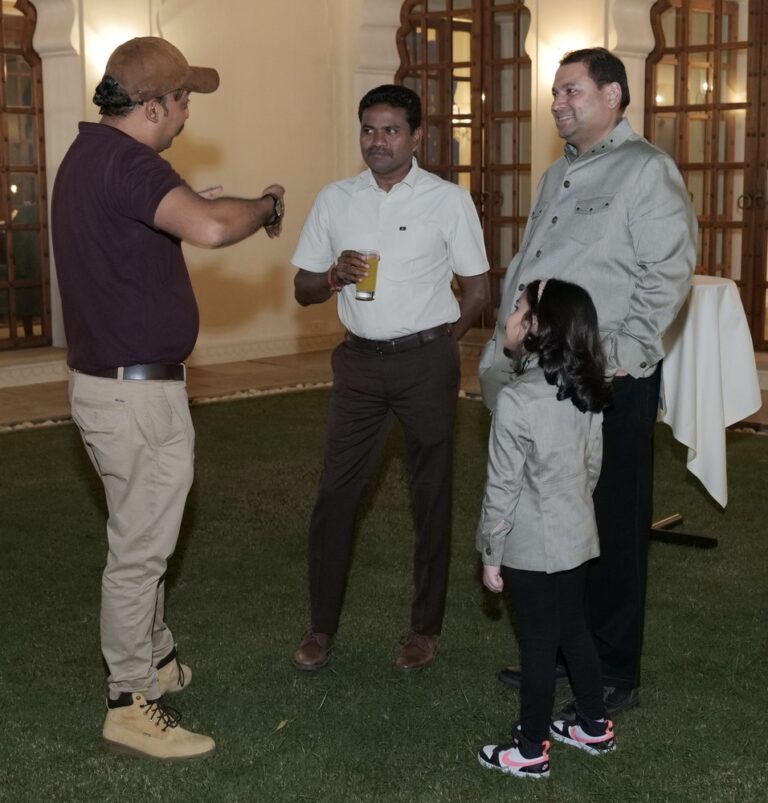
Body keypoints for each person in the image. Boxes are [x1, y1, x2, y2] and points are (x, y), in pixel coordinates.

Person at [51, 36, 286, 760]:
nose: (188, 112)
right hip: (133, 396)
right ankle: (128, 699)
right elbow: (216, 227)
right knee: (140, 549)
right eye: (183, 99)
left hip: (116, 388)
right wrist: (265, 205)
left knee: (143, 531)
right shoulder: (128, 162)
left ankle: (152, 659)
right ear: (151, 105)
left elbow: (150, 230)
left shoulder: (93, 156)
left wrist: (187, 206)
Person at [479, 48, 696, 714]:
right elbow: (532, 262)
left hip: (608, 380)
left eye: (571, 90)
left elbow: (668, 273)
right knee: (557, 518)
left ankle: (613, 668)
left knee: (613, 522)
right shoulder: (558, 174)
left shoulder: (646, 172)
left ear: (613, 96)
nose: (557, 103)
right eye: (555, 93)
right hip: (546, 376)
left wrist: (623, 355)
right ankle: (571, 654)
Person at [291, 84, 490, 672]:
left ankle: (424, 629)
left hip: (425, 362)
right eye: (369, 130)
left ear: (417, 137)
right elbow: (301, 289)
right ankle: (320, 629)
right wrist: (331, 277)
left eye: (390, 130)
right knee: (336, 494)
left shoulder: (448, 200)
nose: (377, 142)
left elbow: (477, 292)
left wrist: (435, 348)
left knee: (430, 494)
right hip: (357, 365)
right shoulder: (335, 199)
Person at [476, 278, 615, 779]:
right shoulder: (585, 390)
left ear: (537, 325)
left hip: (532, 546)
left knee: (537, 645)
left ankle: (530, 748)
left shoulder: (517, 401)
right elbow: (591, 468)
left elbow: (502, 488)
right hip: (577, 536)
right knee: (574, 629)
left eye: (517, 308)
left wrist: (491, 552)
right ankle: (594, 724)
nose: (509, 317)